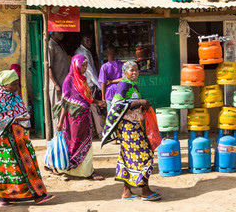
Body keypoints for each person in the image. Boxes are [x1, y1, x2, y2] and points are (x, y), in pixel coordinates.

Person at [0, 70, 53, 207]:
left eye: (17, 83)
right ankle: (4, 197)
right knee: (10, 168)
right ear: (5, 85)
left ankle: (36, 194)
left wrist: (24, 117)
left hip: (20, 138)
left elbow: (21, 111)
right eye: (13, 84)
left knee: (28, 164)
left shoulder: (14, 97)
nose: (16, 87)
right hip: (7, 141)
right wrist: (15, 118)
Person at [101, 61, 161, 201]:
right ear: (125, 72)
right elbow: (117, 105)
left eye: (137, 70)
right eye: (131, 70)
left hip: (134, 126)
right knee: (144, 155)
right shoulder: (123, 84)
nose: (135, 73)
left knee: (128, 157)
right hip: (129, 128)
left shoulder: (132, 85)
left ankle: (127, 191)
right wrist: (139, 102)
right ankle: (145, 190)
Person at [51, 54, 105, 181]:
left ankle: (87, 171)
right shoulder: (68, 80)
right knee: (73, 144)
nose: (85, 68)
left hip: (85, 118)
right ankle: (70, 169)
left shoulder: (83, 79)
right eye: (82, 66)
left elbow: (87, 99)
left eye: (86, 66)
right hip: (72, 120)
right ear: (75, 65)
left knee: (86, 143)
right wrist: (59, 123)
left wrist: (97, 102)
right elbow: (65, 103)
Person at [75, 34, 105, 137]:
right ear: (82, 41)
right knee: (95, 108)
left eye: (90, 40)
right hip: (89, 84)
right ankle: (101, 132)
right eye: (87, 40)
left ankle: (93, 132)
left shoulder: (86, 52)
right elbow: (90, 72)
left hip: (89, 83)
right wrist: (99, 84)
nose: (90, 43)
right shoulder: (82, 53)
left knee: (90, 108)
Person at [48, 32, 71, 123]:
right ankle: (57, 135)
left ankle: (64, 134)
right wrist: (56, 84)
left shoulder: (58, 45)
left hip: (63, 83)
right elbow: (48, 67)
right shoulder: (50, 46)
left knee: (64, 109)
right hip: (57, 85)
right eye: (59, 32)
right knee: (57, 110)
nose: (62, 34)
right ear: (53, 33)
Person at [98, 46, 124, 110]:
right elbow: (125, 78)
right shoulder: (121, 64)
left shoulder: (104, 67)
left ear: (106, 53)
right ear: (115, 53)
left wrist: (103, 98)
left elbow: (103, 84)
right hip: (120, 92)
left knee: (111, 116)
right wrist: (112, 81)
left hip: (109, 93)